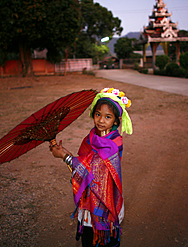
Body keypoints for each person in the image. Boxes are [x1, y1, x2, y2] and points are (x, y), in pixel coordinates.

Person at [50, 88, 133, 247]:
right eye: (98, 114)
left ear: (116, 121)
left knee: (105, 239)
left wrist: (64, 156)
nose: (101, 120)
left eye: (108, 117)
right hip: (89, 202)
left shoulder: (114, 144)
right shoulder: (90, 138)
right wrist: (63, 153)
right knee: (88, 240)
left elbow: (92, 169)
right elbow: (84, 162)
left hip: (105, 204)